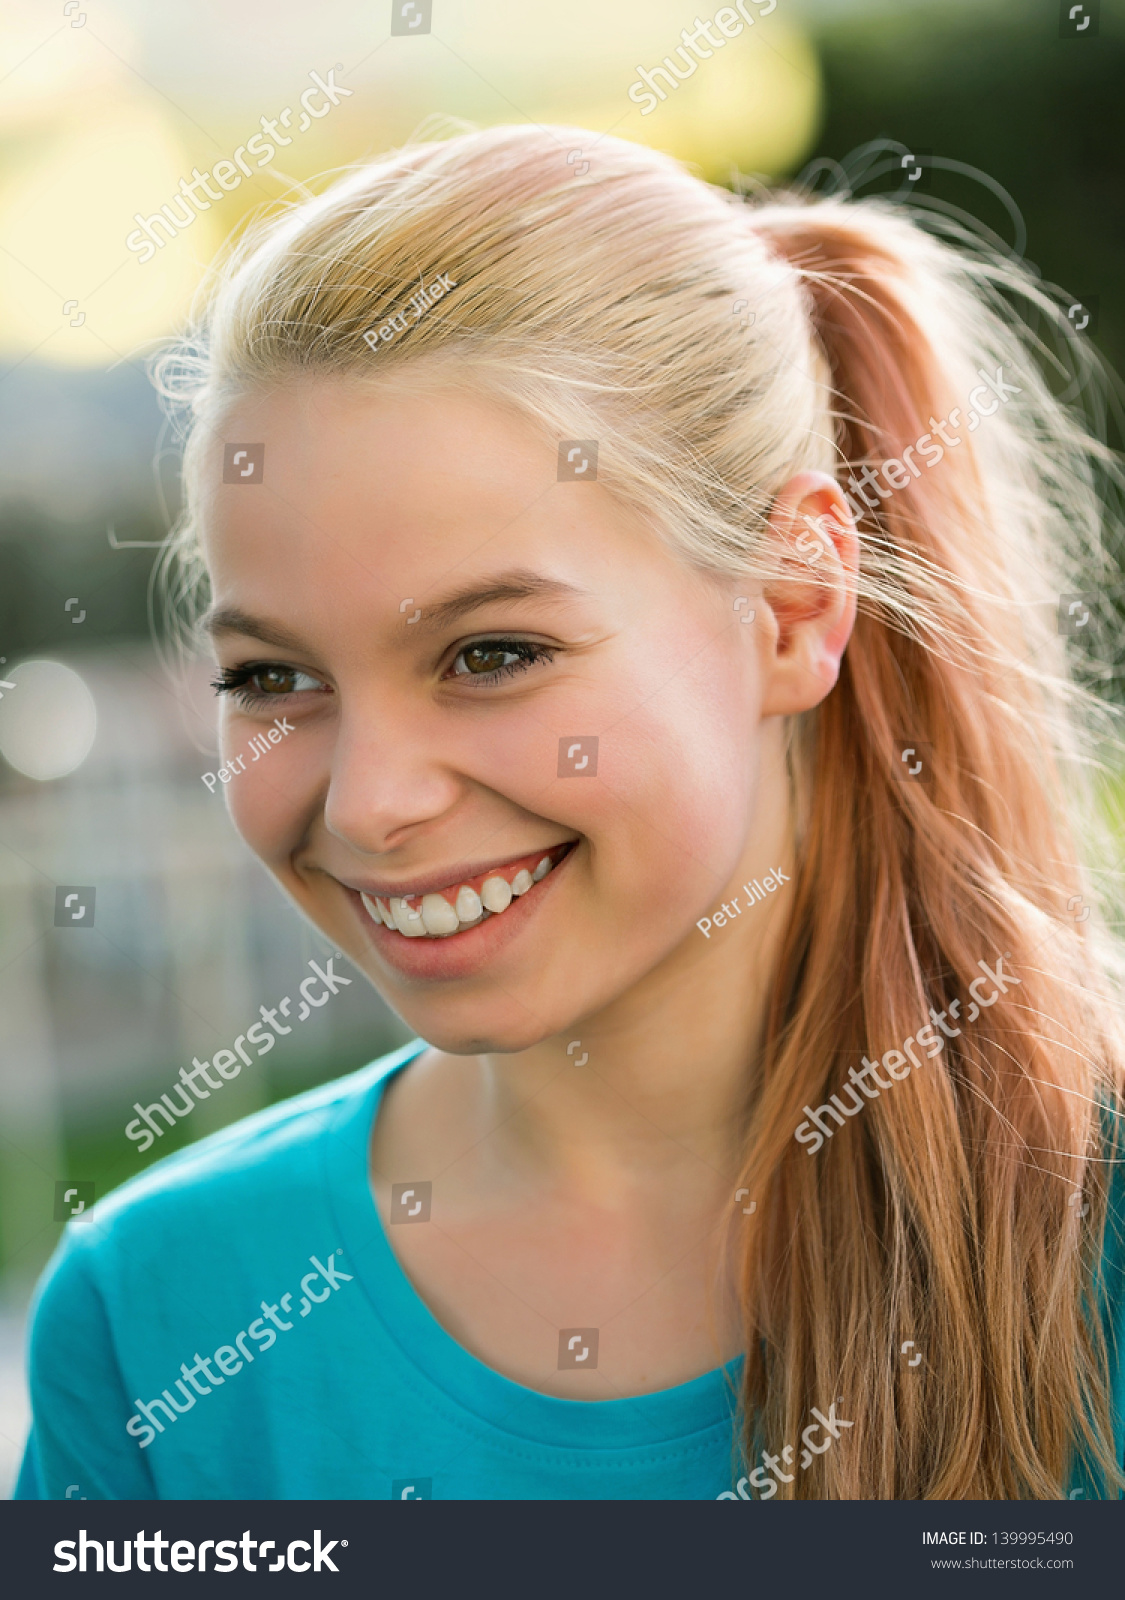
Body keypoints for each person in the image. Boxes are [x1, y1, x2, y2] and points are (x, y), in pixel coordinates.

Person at [16, 124, 1125, 1501]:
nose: (371, 804)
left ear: (793, 605)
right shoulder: (160, 1322)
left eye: (490, 654)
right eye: (274, 677)